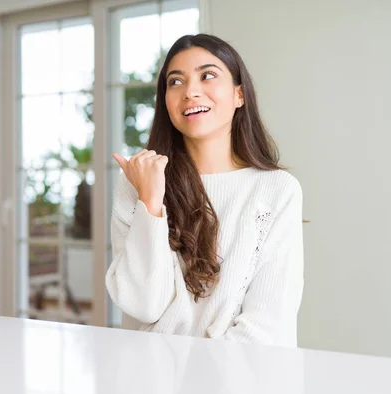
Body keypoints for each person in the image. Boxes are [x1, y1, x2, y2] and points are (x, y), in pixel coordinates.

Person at [106, 34, 304, 347]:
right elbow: (143, 306)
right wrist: (151, 202)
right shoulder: (138, 182)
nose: (190, 92)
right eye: (175, 82)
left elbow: (268, 328)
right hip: (149, 380)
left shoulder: (276, 190)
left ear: (239, 94)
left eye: (207, 75)